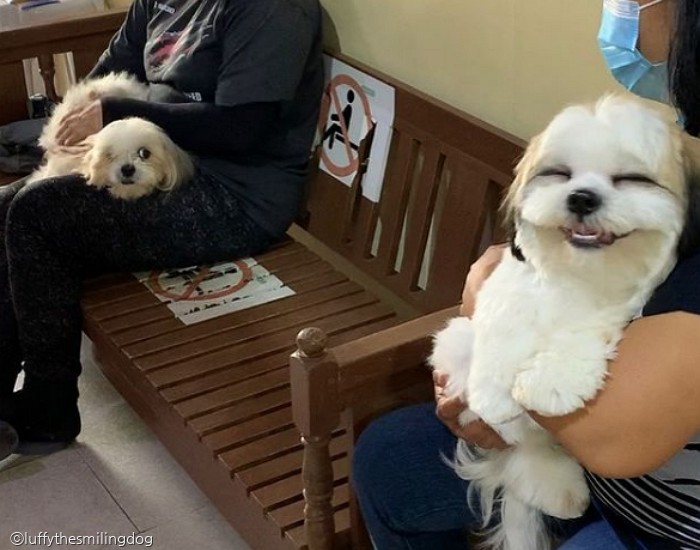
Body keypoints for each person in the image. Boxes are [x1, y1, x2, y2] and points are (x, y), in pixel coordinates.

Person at [352, 0, 700, 548]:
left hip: (663, 515)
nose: (623, 10)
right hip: (584, 449)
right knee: (388, 456)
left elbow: (613, 439)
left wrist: (488, 305)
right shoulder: (671, 148)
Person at [0, 0, 323, 459]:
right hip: (151, 157)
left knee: (39, 212)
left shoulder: (273, 10)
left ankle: (48, 408)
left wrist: (113, 113)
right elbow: (114, 70)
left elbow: (240, 129)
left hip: (234, 193)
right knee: (8, 207)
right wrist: (82, 126)